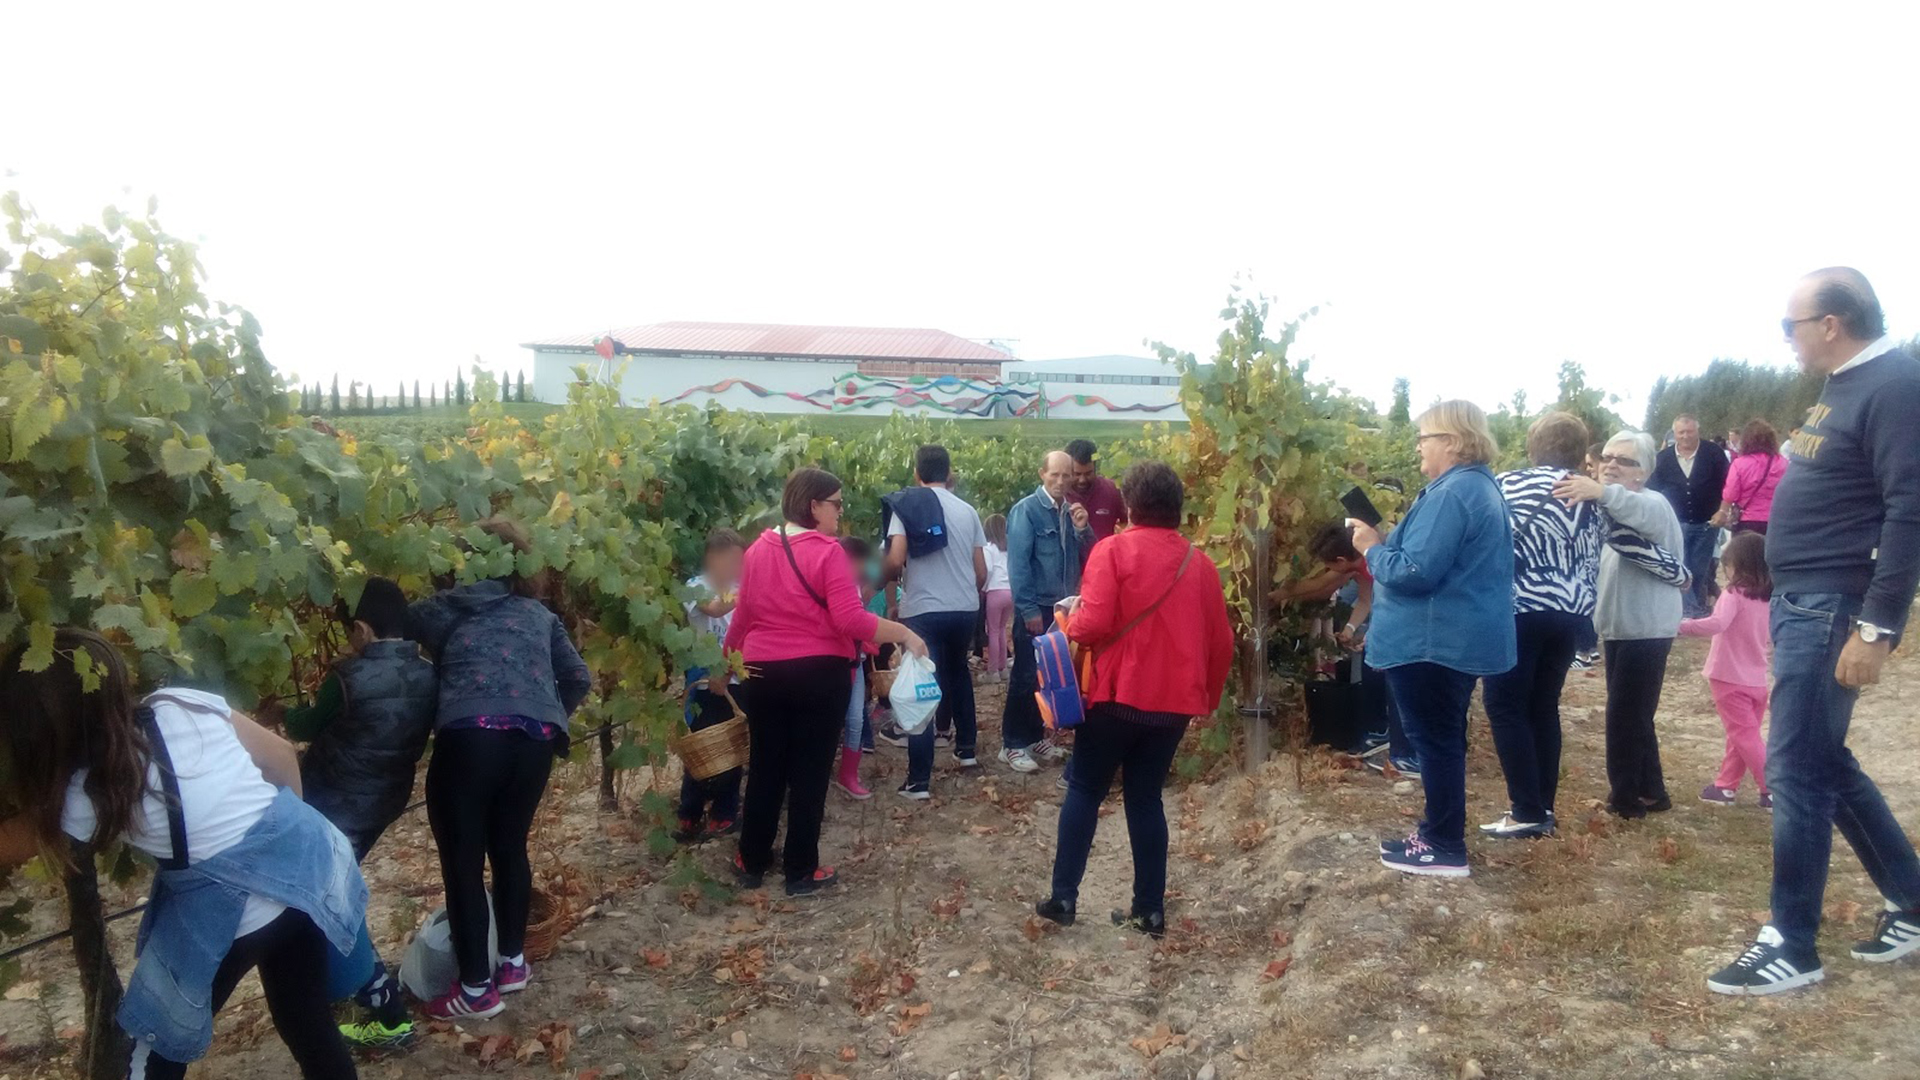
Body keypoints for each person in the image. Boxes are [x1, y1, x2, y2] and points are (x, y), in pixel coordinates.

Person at [0, 630, 366, 1080]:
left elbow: (8, 844)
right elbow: (281, 756)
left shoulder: (86, 796)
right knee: (306, 1020)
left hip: (230, 908)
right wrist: (275, 853)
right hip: (307, 867)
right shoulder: (177, 702)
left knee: (153, 1050)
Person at [1708, 268, 1920, 996]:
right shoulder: (1843, 389)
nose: (1786, 339)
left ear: (1831, 322)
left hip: (1833, 604)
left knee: (1797, 767)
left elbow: (1910, 509)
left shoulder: (1896, 384)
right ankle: (1915, 901)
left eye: (1790, 325)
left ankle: (1792, 942)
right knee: (1823, 760)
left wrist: (1879, 625)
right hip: (1805, 598)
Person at [1035, 462, 1231, 937]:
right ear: (1178, 508)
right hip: (1173, 707)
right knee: (1146, 800)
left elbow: (1093, 625)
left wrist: (1072, 617)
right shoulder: (1200, 564)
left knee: (1085, 788)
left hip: (1116, 697)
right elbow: (1222, 642)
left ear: (1129, 505)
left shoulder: (1113, 550)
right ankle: (1149, 910)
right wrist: (1202, 698)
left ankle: (1064, 898)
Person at [409, 517, 593, 1021]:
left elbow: (388, 631)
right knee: (510, 846)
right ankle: (512, 965)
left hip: (470, 740)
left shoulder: (440, 611)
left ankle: (475, 991)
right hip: (533, 743)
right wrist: (545, 710)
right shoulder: (537, 615)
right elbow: (579, 677)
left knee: (463, 863)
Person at [727, 468, 928, 891]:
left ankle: (751, 861)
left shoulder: (757, 551)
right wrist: (905, 634)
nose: (840, 511)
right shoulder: (828, 552)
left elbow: (742, 618)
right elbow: (850, 619)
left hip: (762, 674)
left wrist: (729, 661)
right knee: (809, 772)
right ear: (813, 505)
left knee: (765, 766)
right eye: (836, 503)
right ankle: (800, 871)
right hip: (818, 674)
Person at [1349, 401, 1516, 878]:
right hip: (1450, 637)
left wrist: (1372, 549)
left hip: (1432, 640)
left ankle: (1443, 844)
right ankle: (1439, 835)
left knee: (1436, 743)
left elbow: (1415, 571)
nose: (1418, 446)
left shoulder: (1453, 494)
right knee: (1442, 740)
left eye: (1424, 437)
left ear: (1452, 441)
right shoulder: (1475, 488)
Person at [277, 576, 434, 1048]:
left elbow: (307, 725)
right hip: (386, 797)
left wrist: (279, 717)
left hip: (336, 797)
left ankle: (384, 1009)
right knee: (332, 889)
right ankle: (345, 996)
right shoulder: (429, 673)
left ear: (362, 630)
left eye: (351, 632)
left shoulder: (347, 678)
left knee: (330, 895)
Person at [1553, 433, 1691, 820]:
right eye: (1607, 457)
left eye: (1625, 461)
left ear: (1644, 472)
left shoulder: (1651, 503)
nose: (1611, 464)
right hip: (1622, 627)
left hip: (1646, 626)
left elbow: (1632, 509)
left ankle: (1625, 801)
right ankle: (1651, 791)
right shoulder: (1615, 510)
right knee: (1636, 714)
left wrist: (1600, 491)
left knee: (1624, 717)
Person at [1479, 412, 1605, 839]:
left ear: (1533, 447)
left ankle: (1525, 809)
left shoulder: (1508, 484)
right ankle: (1542, 808)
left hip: (1520, 606)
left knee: (1504, 705)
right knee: (1543, 706)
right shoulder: (1591, 493)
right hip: (1571, 613)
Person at [883, 446, 988, 798]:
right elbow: (981, 572)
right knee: (958, 674)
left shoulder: (907, 506)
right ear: (949, 472)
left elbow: (896, 560)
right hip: (964, 609)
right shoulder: (968, 510)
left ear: (917, 474)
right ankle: (968, 751)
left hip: (923, 610)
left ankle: (919, 781)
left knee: (921, 688)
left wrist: (882, 588)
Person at [1001, 450, 1094, 773]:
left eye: (1066, 475)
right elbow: (1018, 566)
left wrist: (1083, 529)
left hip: (1062, 608)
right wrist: (1027, 609)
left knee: (1048, 676)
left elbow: (1091, 555)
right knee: (1025, 674)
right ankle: (1012, 744)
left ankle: (1034, 736)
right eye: (1054, 474)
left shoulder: (1070, 512)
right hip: (1036, 606)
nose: (1061, 481)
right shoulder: (1026, 511)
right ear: (1042, 474)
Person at [1679, 532, 1773, 809]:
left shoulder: (1733, 595)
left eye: (1727, 565)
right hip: (1757, 679)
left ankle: (1772, 789)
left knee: (1744, 736)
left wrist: (1681, 625)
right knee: (1743, 735)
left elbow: (1717, 624)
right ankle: (1725, 786)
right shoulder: (1768, 598)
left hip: (1727, 677)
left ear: (1738, 565)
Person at [676, 529, 747, 842]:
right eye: (734, 560)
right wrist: (749, 594)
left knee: (732, 749)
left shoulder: (739, 587)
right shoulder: (695, 588)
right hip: (703, 682)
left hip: (735, 679)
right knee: (701, 750)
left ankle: (724, 813)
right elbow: (715, 609)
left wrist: (730, 674)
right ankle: (689, 813)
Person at [1648, 413, 1732, 618]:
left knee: (1700, 567)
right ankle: (1689, 609)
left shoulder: (1714, 453)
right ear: (1674, 433)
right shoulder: (1663, 458)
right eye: (1681, 432)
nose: (1685, 436)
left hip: (1707, 522)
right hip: (1675, 522)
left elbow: (1728, 485)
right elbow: (1653, 490)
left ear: (1697, 431)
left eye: (1690, 431)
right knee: (1680, 564)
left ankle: (1691, 607)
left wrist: (1723, 510)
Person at [834, 536, 878, 800]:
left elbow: (880, 570)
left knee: (855, 718)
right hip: (832, 661)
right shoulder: (831, 581)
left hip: (855, 660)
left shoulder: (859, 583)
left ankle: (848, 774)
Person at [1712, 419, 1788, 537]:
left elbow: (1731, 493)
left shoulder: (1739, 464)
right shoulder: (1783, 463)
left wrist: (1723, 511)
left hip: (1747, 522)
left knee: (1745, 554)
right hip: (1777, 521)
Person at [1063, 438, 1128, 542]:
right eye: (1077, 474)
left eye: (1088, 473)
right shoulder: (1059, 495)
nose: (1082, 480)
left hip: (1104, 556)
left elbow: (1127, 523)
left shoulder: (1111, 490)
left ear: (1096, 468)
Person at [982, 514, 1013, 684]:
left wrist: (983, 587)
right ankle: (1003, 668)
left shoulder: (988, 548)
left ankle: (992, 670)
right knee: (1002, 629)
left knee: (992, 630)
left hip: (995, 591)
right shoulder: (1008, 549)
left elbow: (987, 569)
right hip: (1010, 591)